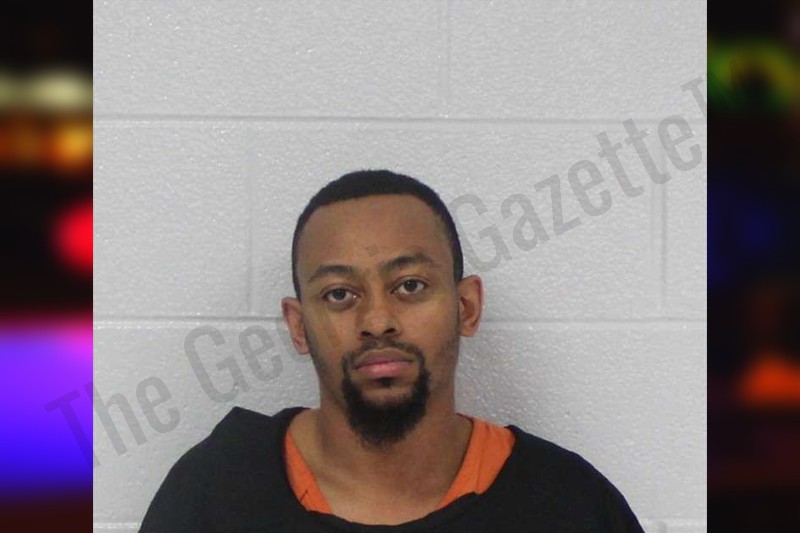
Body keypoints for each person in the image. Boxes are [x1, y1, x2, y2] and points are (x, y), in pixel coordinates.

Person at [140, 170, 645, 532]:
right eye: (340, 294)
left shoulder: (569, 504)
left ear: (466, 308)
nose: (377, 320)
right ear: (298, 326)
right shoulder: (213, 494)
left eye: (410, 286)